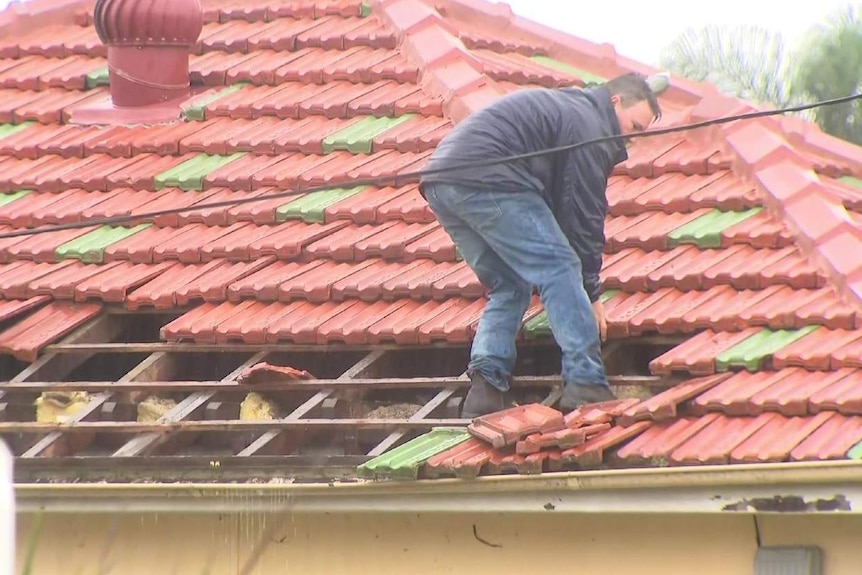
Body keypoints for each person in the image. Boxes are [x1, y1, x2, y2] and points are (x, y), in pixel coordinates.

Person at [418, 72, 663, 418]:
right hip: (491, 178)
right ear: (615, 102)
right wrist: (590, 294)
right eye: (635, 127)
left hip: (443, 183)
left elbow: (561, 205)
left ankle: (486, 390)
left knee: (509, 284)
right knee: (559, 267)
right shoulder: (590, 128)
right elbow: (582, 216)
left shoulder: (572, 111)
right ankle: (586, 384)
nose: (632, 139)